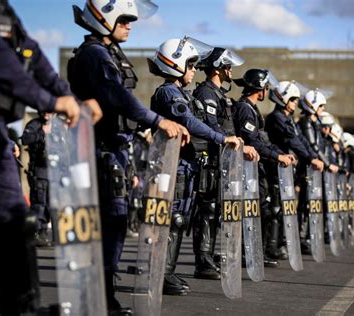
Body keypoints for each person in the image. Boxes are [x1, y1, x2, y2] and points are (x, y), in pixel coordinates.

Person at [0, 0, 102, 314]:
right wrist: (49, 100)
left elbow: (32, 56)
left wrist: (72, 99)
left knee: (14, 220)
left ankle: (21, 306)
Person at [68, 1, 189, 313]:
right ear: (103, 18)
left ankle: (99, 296)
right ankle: (99, 299)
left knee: (113, 223)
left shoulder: (107, 52)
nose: (129, 25)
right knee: (109, 222)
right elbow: (117, 96)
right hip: (98, 149)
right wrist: (158, 120)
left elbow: (119, 106)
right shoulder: (95, 53)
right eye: (123, 19)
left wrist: (143, 130)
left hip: (114, 148)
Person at [148, 37, 241, 295]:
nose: (193, 71)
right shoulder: (168, 93)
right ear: (175, 65)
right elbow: (191, 122)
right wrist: (222, 138)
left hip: (185, 165)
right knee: (171, 219)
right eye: (190, 66)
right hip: (171, 165)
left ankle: (168, 271)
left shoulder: (182, 94)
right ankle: (161, 273)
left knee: (179, 221)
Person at [192, 47, 258, 279]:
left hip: (222, 161)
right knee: (207, 209)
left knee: (215, 209)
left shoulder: (220, 95)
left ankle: (208, 256)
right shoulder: (206, 94)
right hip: (208, 160)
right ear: (218, 69)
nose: (231, 71)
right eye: (227, 66)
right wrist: (234, 142)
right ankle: (202, 261)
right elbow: (211, 126)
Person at [232, 68, 294, 266]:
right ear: (260, 89)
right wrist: (276, 157)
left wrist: (281, 154)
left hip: (255, 169)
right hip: (245, 170)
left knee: (260, 211)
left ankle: (255, 252)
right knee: (253, 211)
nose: (267, 91)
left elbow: (263, 141)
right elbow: (253, 142)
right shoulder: (244, 108)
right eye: (266, 87)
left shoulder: (252, 109)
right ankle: (246, 254)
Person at [265, 81, 325, 258]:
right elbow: (292, 141)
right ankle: (271, 246)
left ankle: (281, 242)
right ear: (282, 99)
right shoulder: (277, 117)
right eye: (292, 100)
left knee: (285, 207)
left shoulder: (287, 118)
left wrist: (312, 157)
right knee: (275, 208)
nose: (295, 104)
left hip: (286, 168)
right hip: (275, 166)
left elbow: (302, 141)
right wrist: (311, 158)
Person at [21, 112, 54, 247]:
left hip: (56, 173)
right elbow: (25, 139)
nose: (47, 113)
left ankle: (47, 234)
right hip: (40, 170)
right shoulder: (35, 124)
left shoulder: (59, 125)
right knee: (39, 204)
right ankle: (37, 232)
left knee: (52, 206)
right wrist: (42, 132)